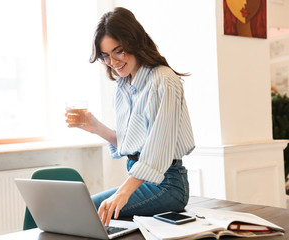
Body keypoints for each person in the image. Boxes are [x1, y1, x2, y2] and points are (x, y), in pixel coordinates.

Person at [65, 7, 195, 226]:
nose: (113, 61)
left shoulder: (163, 80)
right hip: (142, 182)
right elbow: (134, 145)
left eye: (118, 51)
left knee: (83, 212)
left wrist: (122, 193)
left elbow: (158, 149)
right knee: (82, 210)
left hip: (168, 185)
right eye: (105, 55)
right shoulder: (123, 86)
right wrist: (95, 127)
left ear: (135, 43)